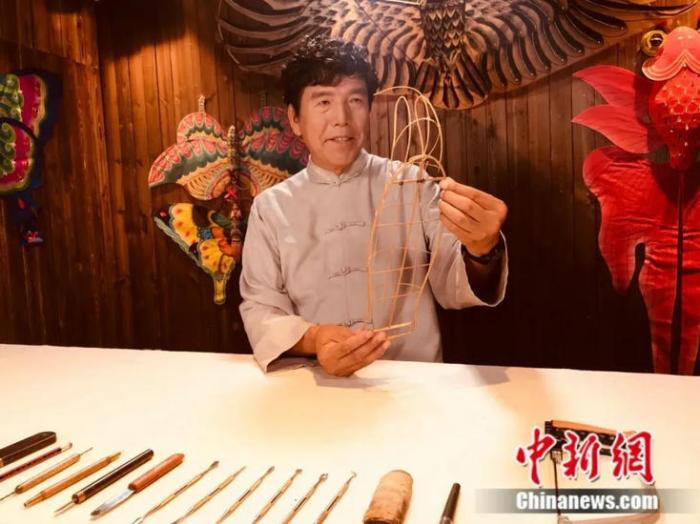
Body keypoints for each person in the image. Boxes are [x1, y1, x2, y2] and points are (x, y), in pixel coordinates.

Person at [239, 37, 508, 376]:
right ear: (294, 119)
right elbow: (261, 309)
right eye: (323, 101)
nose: (341, 118)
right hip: (320, 383)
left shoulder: (411, 183)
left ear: (370, 110)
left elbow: (452, 283)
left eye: (355, 100)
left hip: (413, 379)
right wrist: (316, 339)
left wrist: (483, 249)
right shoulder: (270, 208)